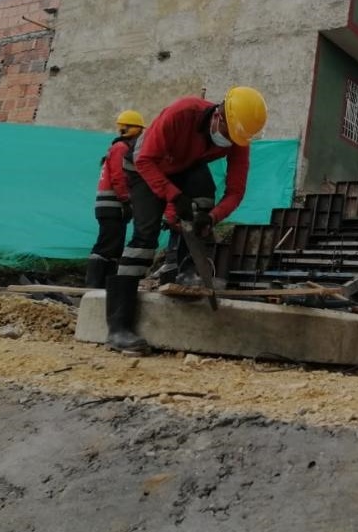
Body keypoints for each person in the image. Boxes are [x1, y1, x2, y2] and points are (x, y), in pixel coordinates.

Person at [106, 87, 268, 354]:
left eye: (235, 138)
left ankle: (187, 270)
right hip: (143, 165)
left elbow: (236, 191)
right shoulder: (183, 112)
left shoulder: (239, 140)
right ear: (218, 115)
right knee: (144, 237)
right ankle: (118, 326)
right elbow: (144, 159)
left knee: (203, 191)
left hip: (183, 166)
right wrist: (172, 196)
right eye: (226, 133)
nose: (228, 140)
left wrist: (212, 217)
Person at [85, 110, 145, 289]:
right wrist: (126, 200)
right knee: (107, 244)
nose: (142, 134)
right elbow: (119, 177)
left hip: (109, 205)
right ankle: (94, 285)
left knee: (114, 246)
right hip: (112, 204)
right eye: (140, 130)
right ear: (132, 130)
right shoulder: (121, 148)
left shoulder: (117, 147)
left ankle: (104, 284)